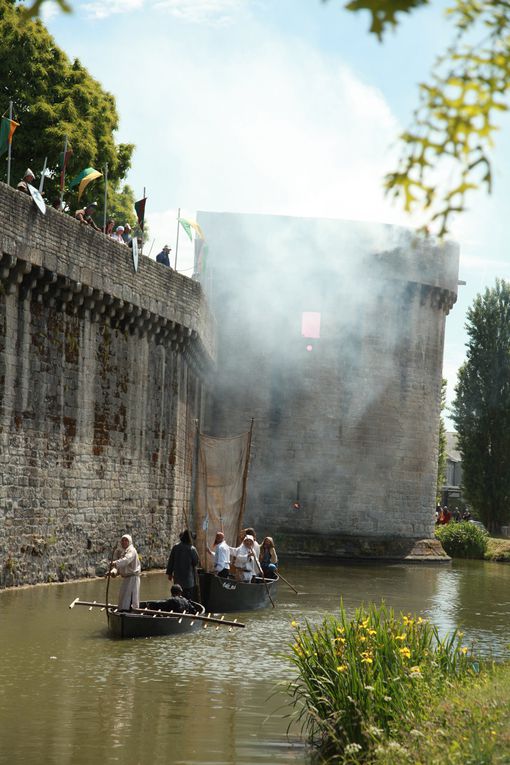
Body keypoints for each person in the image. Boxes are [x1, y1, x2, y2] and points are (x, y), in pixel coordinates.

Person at [110, 534, 141, 611]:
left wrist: (115, 563)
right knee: (123, 597)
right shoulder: (124, 552)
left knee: (132, 597)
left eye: (126, 540)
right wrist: (113, 572)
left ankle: (133, 612)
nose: (123, 542)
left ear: (129, 541)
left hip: (133, 578)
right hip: (126, 578)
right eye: (122, 541)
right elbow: (120, 567)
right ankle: (124, 610)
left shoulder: (132, 551)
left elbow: (126, 560)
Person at [166, 529, 199, 600]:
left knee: (178, 595)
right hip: (188, 580)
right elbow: (196, 562)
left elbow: (171, 561)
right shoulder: (192, 549)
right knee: (188, 598)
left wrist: (170, 574)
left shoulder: (175, 547)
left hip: (178, 578)